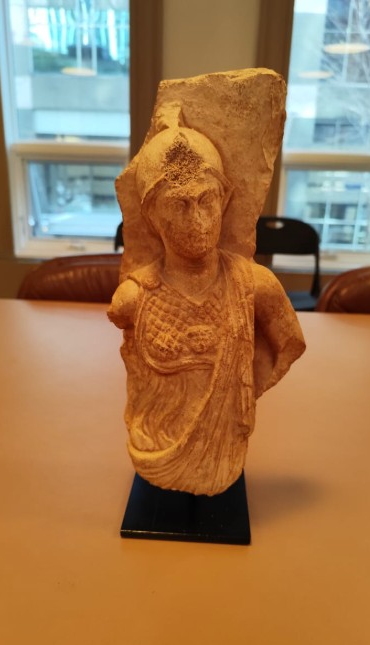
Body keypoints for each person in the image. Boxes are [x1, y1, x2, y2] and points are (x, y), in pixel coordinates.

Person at [108, 127, 305, 496]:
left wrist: (244, 390)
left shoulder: (255, 286)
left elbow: (289, 344)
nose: (197, 221)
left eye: (206, 200)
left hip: (224, 453)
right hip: (156, 451)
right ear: (151, 215)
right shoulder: (133, 299)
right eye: (178, 205)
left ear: (224, 200)